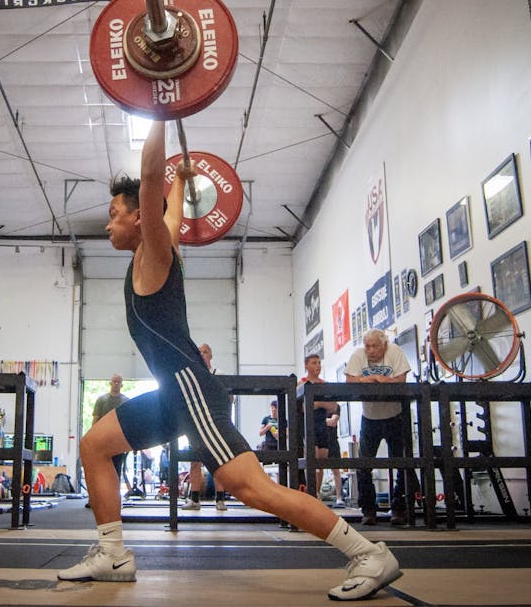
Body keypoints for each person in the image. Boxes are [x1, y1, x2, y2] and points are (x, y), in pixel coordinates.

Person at [59, 120, 401, 601]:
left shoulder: (155, 250)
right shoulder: (160, 243)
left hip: (192, 391)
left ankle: (368, 553)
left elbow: (153, 185)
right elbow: (170, 204)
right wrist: (182, 178)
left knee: (250, 488)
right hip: (170, 394)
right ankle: (112, 553)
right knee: (95, 445)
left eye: (115, 213)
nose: (108, 222)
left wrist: (158, 108)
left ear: (140, 219)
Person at [344, 329, 417, 526]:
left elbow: (401, 380)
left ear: (384, 345)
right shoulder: (358, 355)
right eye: (367, 346)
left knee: (401, 463)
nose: (371, 350)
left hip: (395, 415)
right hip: (370, 417)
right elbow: (349, 380)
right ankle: (369, 510)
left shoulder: (394, 352)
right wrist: (364, 379)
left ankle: (399, 509)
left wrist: (386, 380)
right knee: (364, 464)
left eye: (375, 346)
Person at [183, 343, 228, 512]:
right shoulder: (192, 375)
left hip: (216, 424)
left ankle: (220, 500)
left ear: (211, 355)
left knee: (219, 462)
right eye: (200, 352)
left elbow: (229, 398)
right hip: (196, 424)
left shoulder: (220, 374)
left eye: (205, 352)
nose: (202, 354)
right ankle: (194, 499)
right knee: (195, 462)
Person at [301, 354, 344, 507]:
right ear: (306, 366)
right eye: (314, 363)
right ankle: (311, 492)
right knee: (312, 458)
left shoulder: (324, 385)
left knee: (322, 461)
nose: (318, 366)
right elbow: (304, 407)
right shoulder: (302, 384)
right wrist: (320, 403)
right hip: (308, 425)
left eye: (319, 363)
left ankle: (317, 493)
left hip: (321, 424)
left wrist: (318, 403)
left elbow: (333, 406)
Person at [86, 374, 130, 507]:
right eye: (114, 381)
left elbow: (128, 422)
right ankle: (95, 499)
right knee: (99, 471)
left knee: (116, 471)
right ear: (110, 383)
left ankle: (114, 500)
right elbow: (96, 420)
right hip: (102, 440)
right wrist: (91, 438)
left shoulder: (126, 401)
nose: (116, 383)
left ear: (121, 385)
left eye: (118, 382)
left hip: (117, 442)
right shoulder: (101, 400)